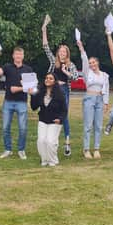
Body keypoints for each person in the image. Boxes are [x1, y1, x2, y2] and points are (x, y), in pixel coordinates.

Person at [41, 14, 78, 156]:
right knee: (50, 113)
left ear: (67, 54)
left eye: (65, 52)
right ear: (58, 53)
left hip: (63, 91)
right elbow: (45, 46)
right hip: (51, 90)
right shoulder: (53, 61)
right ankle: (52, 141)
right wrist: (44, 29)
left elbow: (75, 77)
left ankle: (67, 142)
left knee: (63, 115)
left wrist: (65, 72)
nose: (62, 53)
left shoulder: (70, 65)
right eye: (60, 51)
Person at [0, 47, 33, 159]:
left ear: (23, 56)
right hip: (8, 102)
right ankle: (8, 149)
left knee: (23, 128)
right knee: (5, 128)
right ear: (13, 56)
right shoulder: (7, 67)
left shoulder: (28, 69)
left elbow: (31, 88)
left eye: (20, 54)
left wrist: (18, 88)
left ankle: (21, 150)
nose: (18, 56)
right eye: (16, 54)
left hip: (22, 102)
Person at [77, 38, 110, 159]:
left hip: (100, 99)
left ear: (98, 63)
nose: (92, 64)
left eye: (93, 62)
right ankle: (86, 149)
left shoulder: (104, 75)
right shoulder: (87, 73)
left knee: (98, 125)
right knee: (88, 125)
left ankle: (96, 148)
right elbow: (84, 60)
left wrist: (106, 103)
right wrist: (81, 47)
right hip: (89, 98)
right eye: (90, 63)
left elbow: (106, 89)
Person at [30, 73, 67, 167]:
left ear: (55, 81)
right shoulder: (40, 92)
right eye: (46, 78)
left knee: (50, 141)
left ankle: (53, 160)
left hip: (55, 121)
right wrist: (32, 95)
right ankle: (44, 159)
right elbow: (34, 107)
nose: (48, 80)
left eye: (50, 78)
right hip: (43, 120)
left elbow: (64, 110)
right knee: (41, 141)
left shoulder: (60, 94)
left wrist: (60, 119)